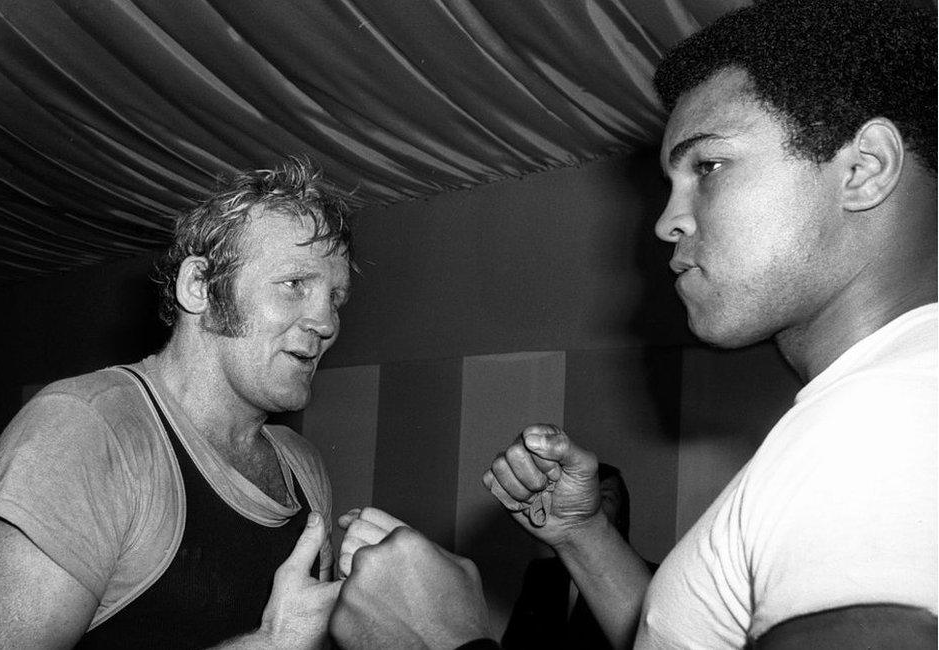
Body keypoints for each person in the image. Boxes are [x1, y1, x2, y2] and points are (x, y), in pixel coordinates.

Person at [327, 0, 938, 648]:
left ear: (865, 169)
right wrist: (584, 535)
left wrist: (445, 641)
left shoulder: (882, 425)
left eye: (706, 167)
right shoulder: (877, 410)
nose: (666, 221)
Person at [0, 156, 354, 648]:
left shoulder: (304, 464)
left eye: (336, 298)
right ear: (200, 287)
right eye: (295, 284)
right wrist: (270, 643)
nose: (327, 323)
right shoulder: (87, 431)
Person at [501, 462, 644, 650]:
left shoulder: (649, 580)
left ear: (621, 514)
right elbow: (515, 641)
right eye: (588, 495)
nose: (592, 505)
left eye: (605, 497)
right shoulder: (541, 573)